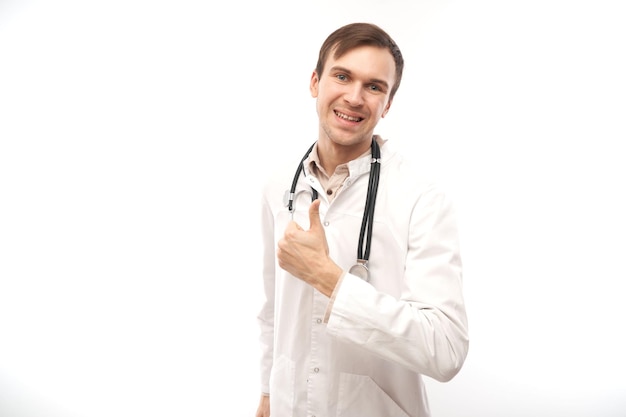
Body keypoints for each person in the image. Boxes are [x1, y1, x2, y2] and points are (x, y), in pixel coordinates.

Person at [255, 22, 469, 417]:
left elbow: (446, 349)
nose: (354, 97)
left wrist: (329, 279)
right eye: (342, 76)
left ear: (387, 105)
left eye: (374, 87)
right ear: (315, 82)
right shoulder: (279, 185)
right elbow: (272, 308)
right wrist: (268, 393)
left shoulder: (421, 198)